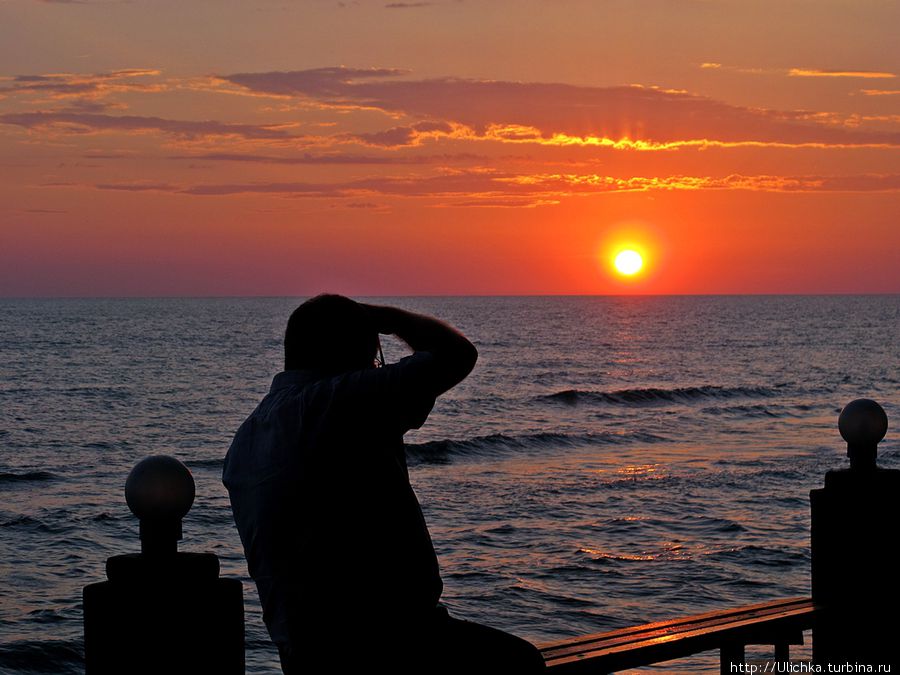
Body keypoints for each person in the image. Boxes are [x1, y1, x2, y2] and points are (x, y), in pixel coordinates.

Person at [223, 294, 546, 674]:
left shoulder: (247, 437)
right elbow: (456, 355)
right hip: (387, 643)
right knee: (521, 664)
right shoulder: (338, 400)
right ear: (350, 354)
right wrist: (387, 319)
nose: (377, 366)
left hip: (302, 651)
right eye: (373, 356)